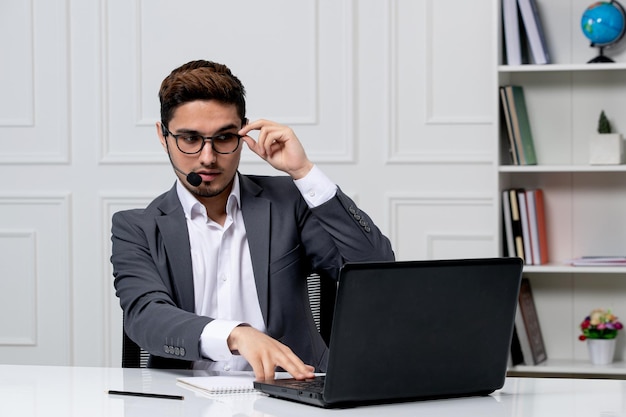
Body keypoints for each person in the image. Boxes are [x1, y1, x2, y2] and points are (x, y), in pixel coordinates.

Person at [111, 59, 394, 380]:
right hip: (185, 398)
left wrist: (304, 172)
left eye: (224, 138)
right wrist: (236, 335)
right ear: (163, 136)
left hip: (293, 391)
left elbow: (376, 269)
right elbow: (146, 316)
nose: (208, 157)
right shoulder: (136, 228)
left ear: (244, 132)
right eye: (190, 139)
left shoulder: (289, 200)